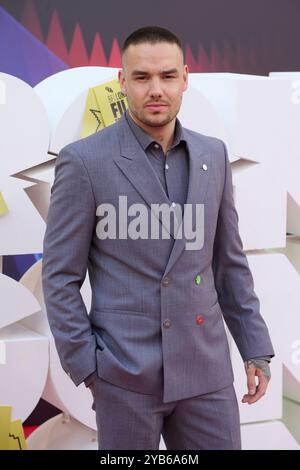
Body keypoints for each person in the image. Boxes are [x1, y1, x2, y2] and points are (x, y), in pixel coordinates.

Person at [42, 26, 275, 450]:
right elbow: (59, 277)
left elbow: (229, 263)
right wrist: (90, 368)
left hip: (206, 374)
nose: (156, 90)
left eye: (167, 76)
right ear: (122, 81)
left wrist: (255, 348)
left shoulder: (214, 154)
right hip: (124, 376)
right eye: (142, 77)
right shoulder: (84, 162)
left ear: (186, 78)